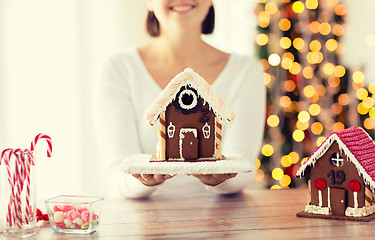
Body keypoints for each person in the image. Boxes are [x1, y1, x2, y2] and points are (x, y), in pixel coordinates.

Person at [93, 0, 265, 198]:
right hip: (139, 222)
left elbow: (243, 166)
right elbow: (119, 172)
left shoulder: (245, 70)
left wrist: (222, 177)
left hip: (221, 222)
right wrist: (144, 177)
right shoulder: (118, 69)